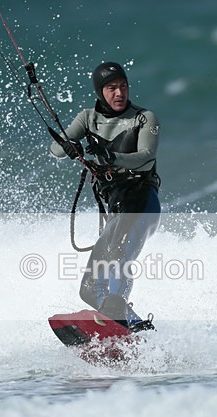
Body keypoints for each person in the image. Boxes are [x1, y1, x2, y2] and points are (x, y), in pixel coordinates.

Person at [49, 61, 161, 330]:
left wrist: (112, 156)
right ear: (101, 91)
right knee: (89, 288)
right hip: (117, 210)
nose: (119, 93)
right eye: (112, 88)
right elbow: (56, 149)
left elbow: (146, 157)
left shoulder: (144, 118)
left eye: (123, 86)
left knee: (119, 257)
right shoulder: (88, 118)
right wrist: (69, 145)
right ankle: (133, 329)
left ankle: (118, 317)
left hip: (141, 202)